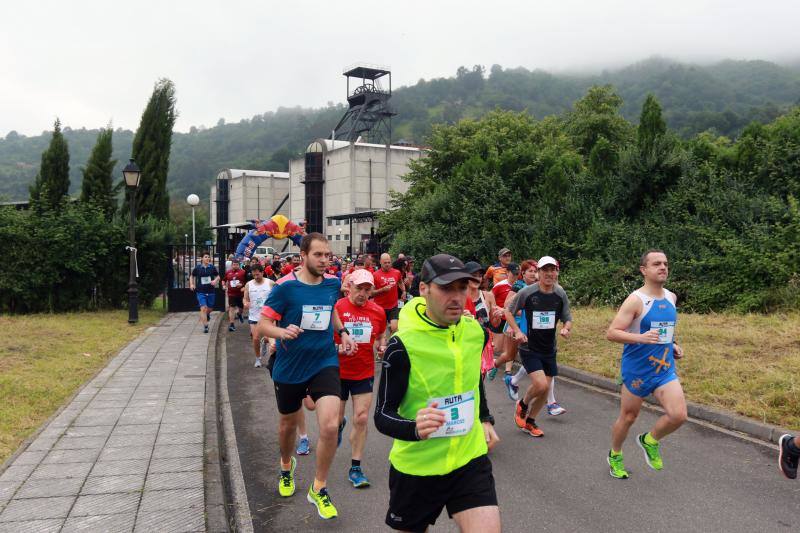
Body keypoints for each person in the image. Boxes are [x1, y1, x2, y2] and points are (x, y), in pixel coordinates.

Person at [374, 254, 500, 533]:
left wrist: (484, 418)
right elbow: (382, 414)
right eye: (446, 288)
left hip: (469, 459)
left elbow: (473, 380)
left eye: (462, 287)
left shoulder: (474, 332)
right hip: (418, 468)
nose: (456, 297)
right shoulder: (402, 346)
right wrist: (414, 428)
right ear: (424, 289)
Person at [258, 233, 357, 519]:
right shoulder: (285, 288)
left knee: (330, 424)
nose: (325, 260)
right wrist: (281, 332)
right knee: (287, 426)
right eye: (319, 255)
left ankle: (319, 487)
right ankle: (286, 467)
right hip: (290, 367)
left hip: (323, 361)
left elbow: (331, 311)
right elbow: (263, 325)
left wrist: (343, 332)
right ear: (303, 256)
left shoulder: (332, 284)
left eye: (328, 255)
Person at [605, 249, 687, 479]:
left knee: (679, 415)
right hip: (637, 370)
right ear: (644, 270)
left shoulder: (671, 297)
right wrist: (639, 338)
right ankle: (615, 454)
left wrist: (673, 345)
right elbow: (612, 333)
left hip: (663, 369)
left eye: (665, 263)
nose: (663, 267)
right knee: (629, 417)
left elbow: (664, 330)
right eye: (656, 264)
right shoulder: (636, 300)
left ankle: (649, 440)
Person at [506, 256, 572, 438]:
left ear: (557, 272)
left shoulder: (560, 293)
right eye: (545, 270)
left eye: (553, 270)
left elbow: (568, 317)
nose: (549, 274)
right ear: (539, 273)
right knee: (541, 384)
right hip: (529, 347)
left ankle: (530, 422)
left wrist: (566, 328)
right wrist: (517, 331)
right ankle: (523, 405)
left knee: (544, 391)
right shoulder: (527, 292)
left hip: (549, 348)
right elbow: (508, 311)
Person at [333, 269, 387, 488]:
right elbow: (322, 338)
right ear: (349, 287)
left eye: (368, 289)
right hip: (335, 371)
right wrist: (339, 347)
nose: (363, 293)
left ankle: (355, 468)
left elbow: (381, 335)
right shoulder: (337, 308)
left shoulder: (378, 311)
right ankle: (338, 425)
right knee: (334, 420)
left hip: (363, 371)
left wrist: (381, 346)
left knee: (362, 418)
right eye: (359, 288)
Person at [242, 264, 275, 368]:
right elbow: (245, 298)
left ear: (262, 272)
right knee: (255, 338)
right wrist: (245, 303)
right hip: (254, 315)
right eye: (254, 274)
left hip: (268, 316)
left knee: (269, 338)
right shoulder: (249, 284)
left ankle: (265, 344)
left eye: (257, 274)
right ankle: (258, 358)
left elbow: (278, 295)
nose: (256, 276)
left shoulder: (270, 283)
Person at [372, 253, 405, 334]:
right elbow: (371, 293)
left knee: (394, 328)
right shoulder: (375, 275)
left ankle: (390, 344)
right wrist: (382, 289)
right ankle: (382, 344)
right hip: (380, 306)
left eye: (389, 262)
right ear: (380, 262)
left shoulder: (396, 272)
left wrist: (404, 291)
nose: (387, 264)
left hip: (393, 305)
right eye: (385, 263)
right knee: (380, 331)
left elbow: (400, 282)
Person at [189, 253, 220, 334]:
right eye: (206, 257)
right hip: (201, 291)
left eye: (208, 257)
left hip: (210, 291)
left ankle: (207, 315)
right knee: (203, 308)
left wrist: (215, 281)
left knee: (210, 309)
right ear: (202, 258)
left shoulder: (212, 267)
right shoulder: (198, 268)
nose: (207, 258)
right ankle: (206, 326)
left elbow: (218, 276)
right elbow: (192, 276)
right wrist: (192, 284)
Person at [223, 258, 247, 332]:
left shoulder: (243, 272)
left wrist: (242, 285)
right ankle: (232, 324)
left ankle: (239, 314)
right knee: (231, 308)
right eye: (233, 265)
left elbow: (247, 282)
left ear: (239, 265)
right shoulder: (228, 272)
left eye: (236, 265)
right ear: (231, 265)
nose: (235, 266)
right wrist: (224, 285)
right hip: (231, 293)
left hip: (240, 293)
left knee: (241, 308)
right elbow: (223, 280)